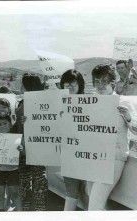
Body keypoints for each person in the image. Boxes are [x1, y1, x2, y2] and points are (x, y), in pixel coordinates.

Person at [88, 63, 137, 210]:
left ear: (112, 83)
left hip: (114, 157)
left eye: (104, 81)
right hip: (94, 156)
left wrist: (128, 116)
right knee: (91, 195)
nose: (100, 85)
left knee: (94, 204)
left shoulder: (123, 102)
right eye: (97, 82)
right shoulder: (91, 102)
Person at [14, 73, 48, 211]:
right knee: (25, 178)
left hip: (36, 145)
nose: (20, 86)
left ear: (28, 86)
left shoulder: (41, 102)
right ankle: (28, 207)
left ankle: (38, 208)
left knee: (37, 178)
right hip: (22, 145)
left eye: (23, 84)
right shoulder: (22, 102)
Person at [59, 69, 86, 211]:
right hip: (69, 152)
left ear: (80, 84)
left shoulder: (93, 103)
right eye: (66, 83)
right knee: (71, 190)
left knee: (90, 193)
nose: (69, 86)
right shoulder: (58, 103)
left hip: (88, 153)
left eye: (73, 82)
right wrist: (30, 122)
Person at [0, 114, 22, 211]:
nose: (2, 126)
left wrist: (20, 149)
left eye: (5, 123)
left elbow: (22, 152)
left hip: (13, 170)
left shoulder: (16, 138)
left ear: (10, 124)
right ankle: (1, 212)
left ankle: (20, 213)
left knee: (15, 192)